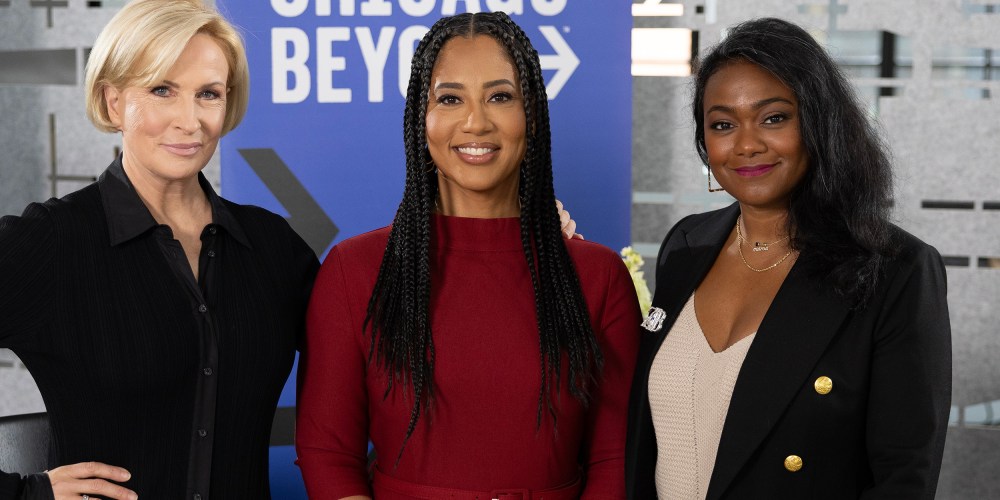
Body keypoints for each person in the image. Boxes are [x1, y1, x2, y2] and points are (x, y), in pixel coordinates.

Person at [296, 11, 640, 499]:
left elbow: (613, 459)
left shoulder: (597, 276)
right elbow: (328, 453)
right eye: (450, 99)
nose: (476, 121)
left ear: (533, 116)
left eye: (500, 97)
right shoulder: (354, 271)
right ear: (423, 118)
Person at [0, 0, 318, 498]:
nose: (189, 121)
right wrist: (24, 492)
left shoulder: (274, 248)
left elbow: (373, 380)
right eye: (161, 90)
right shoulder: (53, 242)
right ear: (113, 103)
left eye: (208, 94)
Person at [624, 17, 952, 499]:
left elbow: (903, 478)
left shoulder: (896, 270)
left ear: (818, 123)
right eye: (722, 124)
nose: (747, 144)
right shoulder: (687, 245)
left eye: (774, 117)